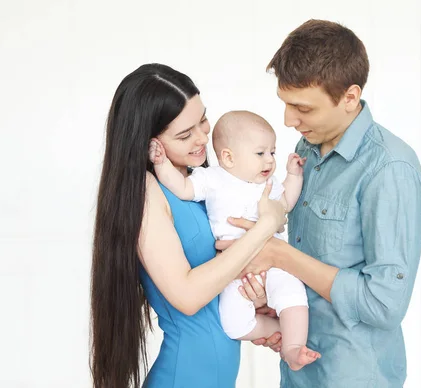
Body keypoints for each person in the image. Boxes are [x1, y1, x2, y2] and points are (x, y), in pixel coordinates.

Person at [217, 19, 421, 388]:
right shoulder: (306, 151)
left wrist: (277, 256)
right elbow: (314, 261)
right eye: (285, 104)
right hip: (299, 368)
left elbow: (384, 304)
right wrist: (271, 298)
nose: (287, 120)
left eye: (303, 108)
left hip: (354, 375)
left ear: (349, 97)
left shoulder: (390, 169)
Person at [90, 64, 287, 388]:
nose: (201, 139)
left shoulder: (201, 184)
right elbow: (187, 295)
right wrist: (266, 226)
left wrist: (256, 300)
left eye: (202, 121)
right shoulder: (146, 190)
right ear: (148, 142)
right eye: (184, 134)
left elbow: (217, 281)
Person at [148, 110, 320, 370]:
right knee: (233, 324)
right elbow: (182, 188)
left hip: (274, 264)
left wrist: (294, 177)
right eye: (260, 153)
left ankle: (293, 347)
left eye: (272, 153)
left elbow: (285, 204)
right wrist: (161, 165)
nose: (269, 161)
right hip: (234, 273)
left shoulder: (270, 183)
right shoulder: (212, 179)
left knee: (293, 295)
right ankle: (278, 329)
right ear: (228, 157)